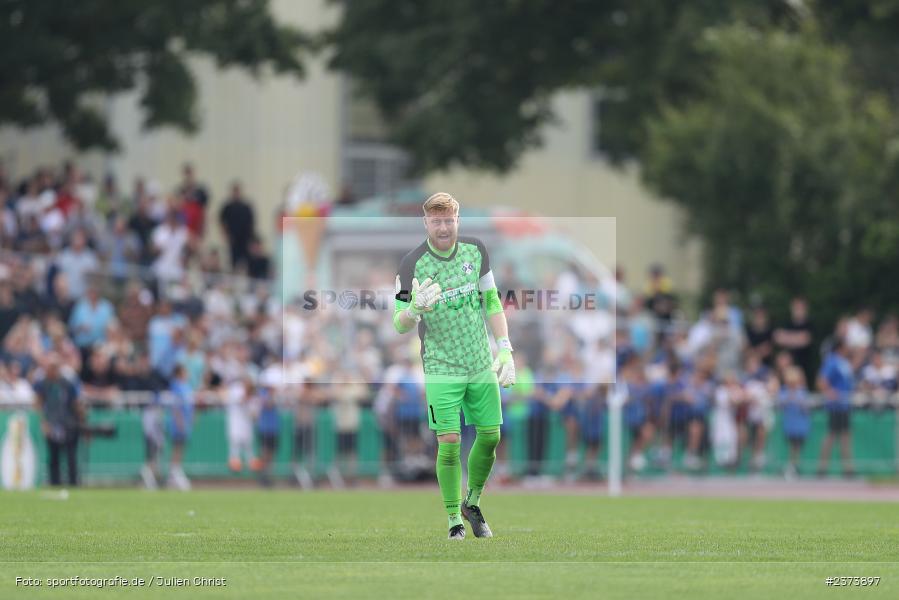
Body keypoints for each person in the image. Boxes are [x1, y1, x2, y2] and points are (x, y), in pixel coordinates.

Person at [393, 192, 514, 539]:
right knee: (449, 441)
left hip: (478, 361)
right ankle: (453, 521)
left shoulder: (476, 252)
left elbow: (492, 302)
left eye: (449, 220)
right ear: (426, 222)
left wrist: (504, 349)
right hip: (441, 365)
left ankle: (472, 502)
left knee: (491, 436)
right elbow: (397, 322)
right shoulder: (411, 264)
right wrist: (413, 309)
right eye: (436, 220)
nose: (443, 226)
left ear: (457, 220)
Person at [34, 353, 83, 486]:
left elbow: (76, 404)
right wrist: (43, 422)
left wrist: (81, 421)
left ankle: (73, 484)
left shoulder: (67, 384)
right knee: (53, 457)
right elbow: (38, 404)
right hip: (51, 425)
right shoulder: (42, 384)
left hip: (69, 424)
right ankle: (54, 483)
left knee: (71, 457)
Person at [816, 340, 855, 477]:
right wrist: (831, 393)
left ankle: (848, 468)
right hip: (836, 405)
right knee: (832, 435)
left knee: (845, 436)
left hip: (845, 404)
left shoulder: (845, 362)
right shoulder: (832, 361)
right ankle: (822, 467)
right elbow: (822, 381)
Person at [779, 366, 811, 479]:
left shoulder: (802, 391)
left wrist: (798, 401)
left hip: (800, 425)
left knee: (797, 447)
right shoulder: (784, 391)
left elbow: (806, 407)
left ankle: (795, 467)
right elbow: (781, 404)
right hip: (790, 424)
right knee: (791, 447)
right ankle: (791, 467)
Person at [166, 364, 194, 490]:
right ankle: (173, 473)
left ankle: (175, 472)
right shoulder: (176, 386)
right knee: (177, 447)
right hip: (178, 422)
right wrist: (180, 421)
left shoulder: (186, 386)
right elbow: (176, 406)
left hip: (186, 421)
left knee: (181, 447)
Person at [218, 181, 255, 272]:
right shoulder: (228, 207)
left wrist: (251, 239)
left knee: (247, 261)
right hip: (233, 239)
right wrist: (225, 234)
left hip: (245, 239)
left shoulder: (246, 207)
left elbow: (251, 223)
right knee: (233, 262)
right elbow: (222, 221)